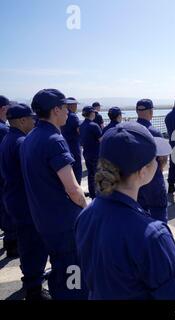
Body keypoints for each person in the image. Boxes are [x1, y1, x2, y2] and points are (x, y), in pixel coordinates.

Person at [75, 122, 175, 300]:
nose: (158, 161)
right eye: (154, 158)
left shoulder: (86, 215)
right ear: (142, 172)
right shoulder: (153, 235)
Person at [21, 89, 88, 300]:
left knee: (60, 266)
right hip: (64, 222)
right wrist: (88, 211)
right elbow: (73, 189)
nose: (69, 111)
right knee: (73, 272)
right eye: (65, 107)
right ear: (56, 110)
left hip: (43, 218)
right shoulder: (53, 140)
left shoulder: (30, 138)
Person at [0, 104, 50, 300]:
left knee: (26, 242)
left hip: (13, 198)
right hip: (25, 202)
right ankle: (34, 288)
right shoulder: (21, 142)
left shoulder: (8, 138)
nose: (34, 121)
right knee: (33, 245)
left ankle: (31, 278)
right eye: (31, 118)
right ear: (22, 121)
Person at [136, 99, 171, 223]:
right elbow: (163, 158)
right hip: (153, 179)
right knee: (159, 212)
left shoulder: (130, 130)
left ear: (136, 111)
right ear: (151, 112)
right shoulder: (154, 132)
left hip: (135, 180)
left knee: (139, 213)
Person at [0, 95, 18, 258]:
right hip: (4, 178)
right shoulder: (4, 130)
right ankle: (12, 245)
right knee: (8, 212)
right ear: (4, 109)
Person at [80, 106, 102, 199]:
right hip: (95, 153)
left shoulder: (82, 125)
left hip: (86, 153)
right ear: (91, 113)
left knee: (90, 174)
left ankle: (92, 194)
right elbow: (101, 139)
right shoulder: (94, 125)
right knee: (98, 174)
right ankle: (99, 196)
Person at [61, 97, 82, 184]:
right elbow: (79, 130)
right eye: (75, 105)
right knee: (76, 169)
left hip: (63, 145)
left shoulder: (61, 116)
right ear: (71, 106)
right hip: (73, 146)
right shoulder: (73, 117)